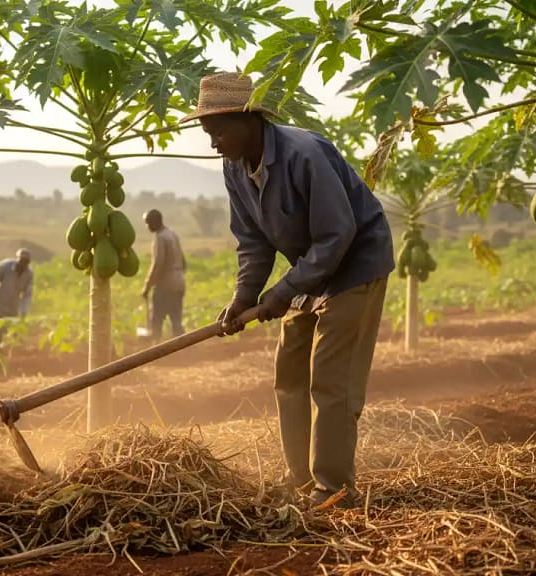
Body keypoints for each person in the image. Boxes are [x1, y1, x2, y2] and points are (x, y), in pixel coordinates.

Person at [182, 72, 395, 508]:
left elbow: (338, 234)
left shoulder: (304, 154)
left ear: (248, 119)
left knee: (330, 377)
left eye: (217, 132)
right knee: (289, 368)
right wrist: (245, 296)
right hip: (311, 269)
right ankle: (299, 479)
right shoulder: (235, 167)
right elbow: (253, 241)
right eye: (208, 134)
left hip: (355, 264)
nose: (213, 143)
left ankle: (333, 487)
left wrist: (284, 291)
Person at [141, 209, 187, 341]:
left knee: (156, 319)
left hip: (166, 283)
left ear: (155, 222)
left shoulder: (160, 237)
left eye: (148, 223)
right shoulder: (172, 234)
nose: (147, 226)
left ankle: (156, 349)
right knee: (176, 319)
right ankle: (183, 349)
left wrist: (147, 286)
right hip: (179, 281)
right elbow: (183, 262)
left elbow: (158, 264)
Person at [0, 248, 33, 346]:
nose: (23, 264)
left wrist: (23, 310)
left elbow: (27, 294)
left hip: (13, 305)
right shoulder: (4, 266)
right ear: (17, 259)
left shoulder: (29, 274)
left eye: (26, 262)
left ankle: (11, 353)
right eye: (21, 261)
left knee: (12, 330)